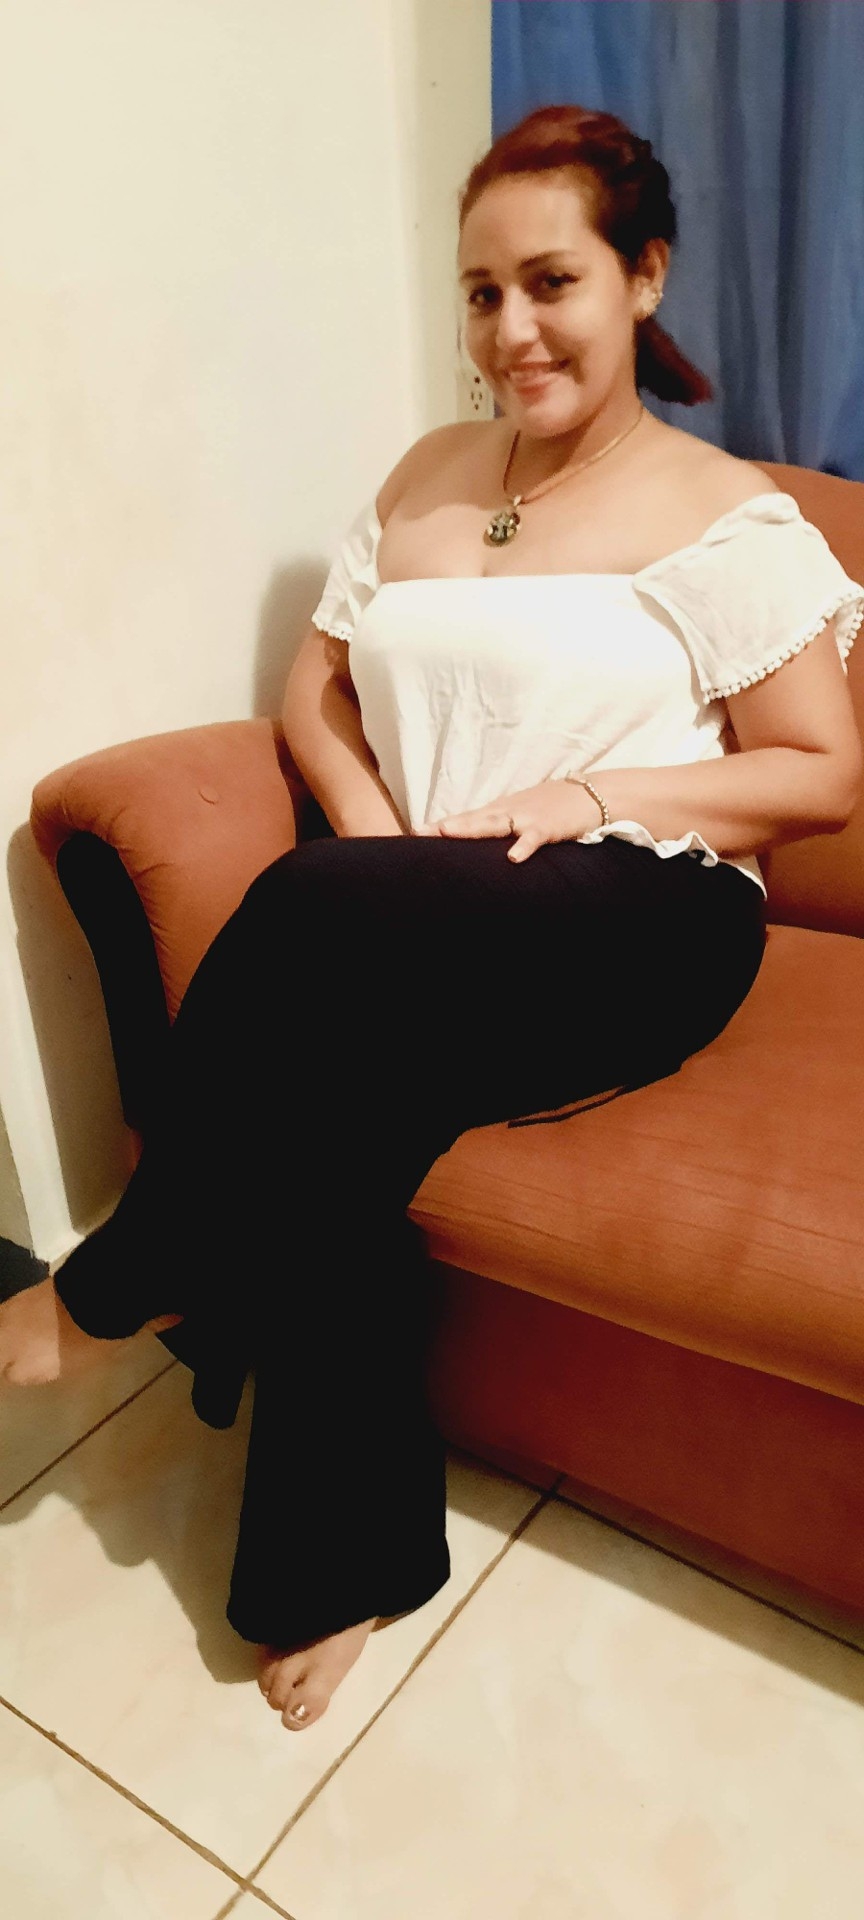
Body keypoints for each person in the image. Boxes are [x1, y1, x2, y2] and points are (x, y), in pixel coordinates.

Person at [2, 105, 862, 1734]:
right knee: (338, 1104)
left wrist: (598, 796)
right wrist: (373, 835)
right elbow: (313, 692)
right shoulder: (421, 481)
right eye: (480, 292)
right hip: (423, 905)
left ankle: (116, 1289)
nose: (511, 329)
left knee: (315, 941)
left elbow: (822, 776)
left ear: (643, 275)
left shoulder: (724, 512)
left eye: (553, 282)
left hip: (645, 908)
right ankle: (344, 1562)